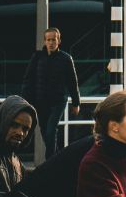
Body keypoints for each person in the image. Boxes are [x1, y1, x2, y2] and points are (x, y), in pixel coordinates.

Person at [21, 28, 81, 158]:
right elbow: (28, 79)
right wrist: (24, 101)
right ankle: (58, 158)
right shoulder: (37, 57)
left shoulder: (66, 59)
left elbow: (72, 82)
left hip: (58, 101)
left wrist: (76, 103)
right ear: (44, 41)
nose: (51, 42)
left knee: (50, 131)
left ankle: (50, 161)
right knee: (45, 132)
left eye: (54, 39)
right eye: (48, 40)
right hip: (40, 101)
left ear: (59, 41)